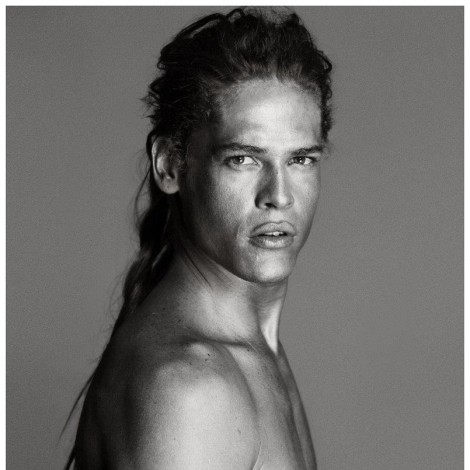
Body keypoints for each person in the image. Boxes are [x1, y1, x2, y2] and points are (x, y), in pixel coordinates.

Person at [66, 7, 332, 470]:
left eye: (300, 160)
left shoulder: (254, 349)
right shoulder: (190, 388)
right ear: (171, 165)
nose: (279, 195)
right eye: (243, 159)